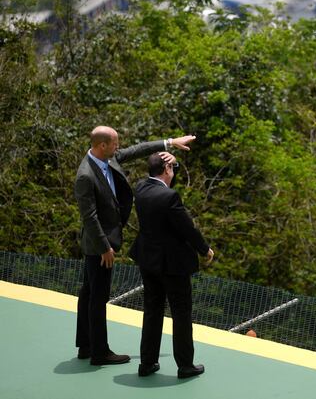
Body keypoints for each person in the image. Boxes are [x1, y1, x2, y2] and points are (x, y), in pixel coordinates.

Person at [74, 126, 195, 366]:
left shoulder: (108, 158)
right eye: (115, 143)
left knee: (88, 292)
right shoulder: (85, 175)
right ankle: (99, 352)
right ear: (102, 146)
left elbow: (138, 150)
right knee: (97, 297)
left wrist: (170, 142)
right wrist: (104, 247)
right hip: (99, 244)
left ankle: (86, 345)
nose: (119, 147)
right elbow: (89, 216)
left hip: (103, 241)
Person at [129, 152, 214, 379]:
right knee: (181, 313)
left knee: (152, 311)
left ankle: (147, 363)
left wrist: (165, 155)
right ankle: (185, 365)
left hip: (148, 260)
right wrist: (204, 249)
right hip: (172, 265)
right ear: (167, 170)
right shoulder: (170, 197)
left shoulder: (141, 188)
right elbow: (187, 228)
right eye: (173, 167)